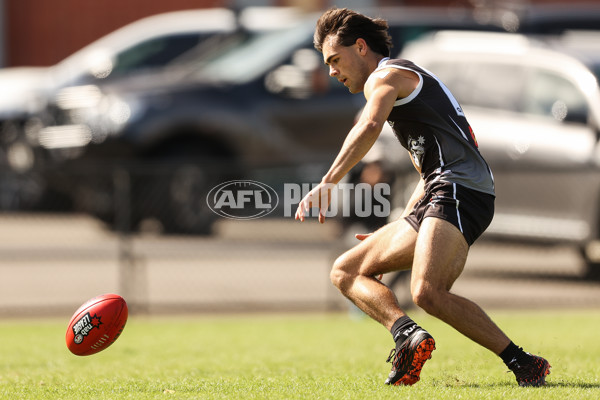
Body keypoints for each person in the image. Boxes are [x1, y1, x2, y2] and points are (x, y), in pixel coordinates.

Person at [294, 7, 551, 387]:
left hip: (461, 190)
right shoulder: (403, 84)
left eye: (335, 59)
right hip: (440, 191)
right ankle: (408, 336)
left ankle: (522, 362)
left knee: (426, 292)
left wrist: (329, 180)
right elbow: (427, 171)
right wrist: (400, 227)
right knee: (345, 271)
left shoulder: (386, 76)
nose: (332, 70)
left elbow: (369, 125)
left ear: (361, 47)